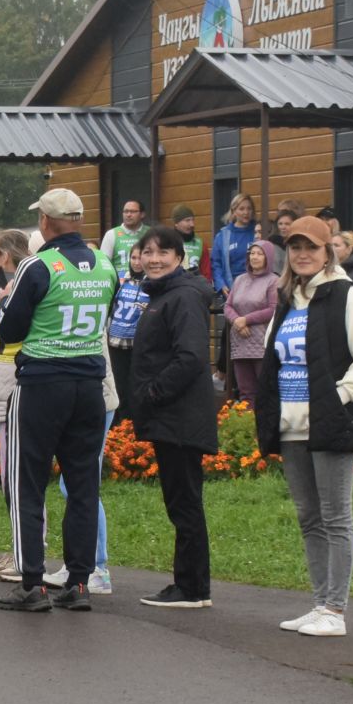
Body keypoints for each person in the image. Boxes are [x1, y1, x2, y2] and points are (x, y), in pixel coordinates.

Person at [0, 187, 119, 612]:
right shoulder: (105, 264)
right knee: (84, 484)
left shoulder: (38, 264)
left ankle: (32, 583)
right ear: (78, 221)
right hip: (89, 384)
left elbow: (9, 330)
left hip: (44, 382)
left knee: (28, 483)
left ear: (45, 223)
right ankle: (79, 582)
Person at [256, 215, 353, 636]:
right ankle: (319, 603)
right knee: (309, 517)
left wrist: (334, 399)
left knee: (335, 516)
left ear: (328, 251)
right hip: (291, 426)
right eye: (295, 247)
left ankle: (335, 610)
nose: (303, 254)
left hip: (330, 423)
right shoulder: (287, 299)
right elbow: (272, 359)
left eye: (312, 247)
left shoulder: (344, 295)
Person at [130, 226, 218, 608]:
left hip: (180, 416)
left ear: (180, 258)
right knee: (180, 501)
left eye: (164, 252)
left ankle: (192, 588)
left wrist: (153, 392)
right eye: (147, 251)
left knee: (184, 502)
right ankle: (190, 583)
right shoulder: (164, 295)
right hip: (172, 415)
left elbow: (191, 357)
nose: (154, 258)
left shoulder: (182, 297)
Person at [0, 230, 32, 578]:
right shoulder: (11, 286)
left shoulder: (19, 285)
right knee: (12, 477)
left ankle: (26, 555)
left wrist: (5, 302)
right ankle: (19, 550)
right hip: (5, 385)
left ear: (3, 255)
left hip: (15, 384)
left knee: (19, 476)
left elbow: (10, 332)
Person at [224, 242, 278, 400]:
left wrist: (246, 320)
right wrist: (237, 322)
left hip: (262, 343)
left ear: (268, 257)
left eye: (259, 254)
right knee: (245, 391)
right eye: (252, 253)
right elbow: (227, 306)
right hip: (240, 342)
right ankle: (247, 424)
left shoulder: (273, 280)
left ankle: (265, 424)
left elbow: (273, 309)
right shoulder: (240, 279)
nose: (254, 257)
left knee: (264, 391)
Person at [105, 249, 147, 424]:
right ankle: (118, 429)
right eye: (133, 257)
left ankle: (132, 428)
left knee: (134, 388)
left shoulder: (151, 282)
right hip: (116, 341)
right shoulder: (121, 278)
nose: (137, 262)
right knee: (118, 387)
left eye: (140, 258)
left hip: (137, 344)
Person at [210, 193, 259, 298]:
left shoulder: (258, 231)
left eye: (249, 209)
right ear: (234, 211)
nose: (246, 212)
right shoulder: (223, 235)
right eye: (241, 209)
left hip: (256, 290)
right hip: (231, 291)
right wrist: (221, 284)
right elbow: (216, 264)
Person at [100, 199, 146, 274]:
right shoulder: (111, 234)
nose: (128, 215)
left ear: (142, 214)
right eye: (126, 211)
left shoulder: (150, 233)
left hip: (146, 281)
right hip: (120, 282)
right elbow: (104, 263)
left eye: (133, 211)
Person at [170, 205, 207, 278]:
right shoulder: (167, 242)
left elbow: (206, 273)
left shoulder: (200, 244)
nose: (192, 224)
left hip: (195, 287)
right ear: (176, 223)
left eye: (193, 220)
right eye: (187, 220)